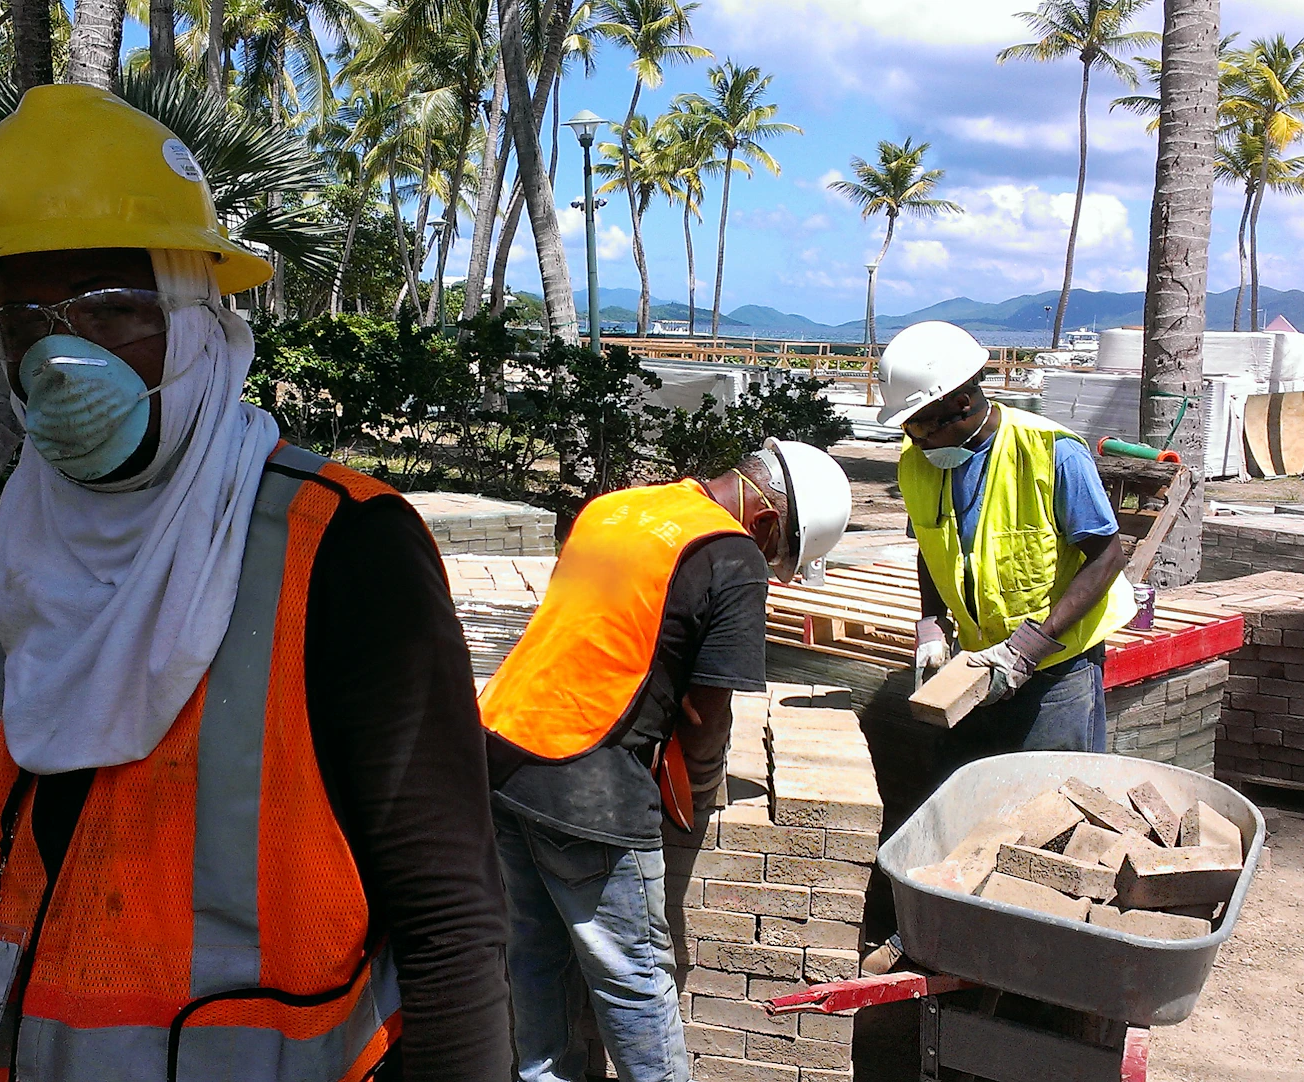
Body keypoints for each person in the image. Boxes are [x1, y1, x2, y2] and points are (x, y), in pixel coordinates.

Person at [0, 84, 509, 1081]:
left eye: (112, 307)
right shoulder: (33, 547)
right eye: (26, 318)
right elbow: (23, 879)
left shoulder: (342, 549)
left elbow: (449, 911)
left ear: (199, 320)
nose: (63, 357)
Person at [480, 441, 851, 1082]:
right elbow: (706, 713)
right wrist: (698, 793)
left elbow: (599, 637)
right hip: (583, 781)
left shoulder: (619, 507)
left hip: (499, 747)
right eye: (779, 555)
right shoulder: (731, 552)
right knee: (636, 977)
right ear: (766, 522)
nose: (771, 567)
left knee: (534, 953)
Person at [876, 320, 1135, 771]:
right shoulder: (919, 461)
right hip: (979, 662)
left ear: (961, 402)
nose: (915, 441)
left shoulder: (1051, 451)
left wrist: (1029, 648)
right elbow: (933, 545)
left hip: (1058, 666)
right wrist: (932, 622)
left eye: (922, 428)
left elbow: (1107, 555)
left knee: (1055, 798)